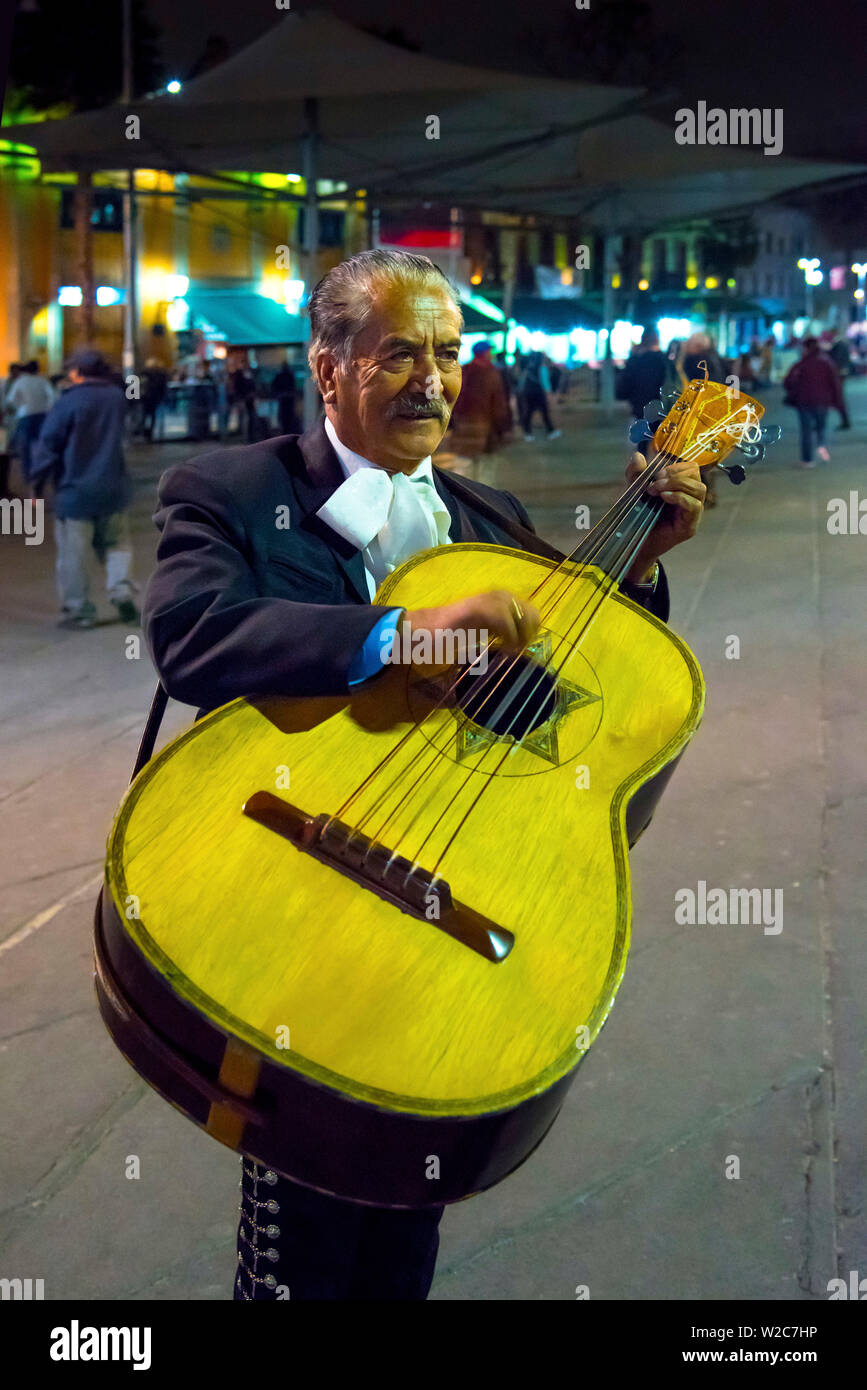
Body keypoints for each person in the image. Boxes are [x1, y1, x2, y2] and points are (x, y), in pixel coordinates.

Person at [141, 248, 705, 1302]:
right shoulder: (235, 488)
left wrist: (636, 562)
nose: (434, 380)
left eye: (448, 353)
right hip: (296, 870)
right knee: (300, 1215)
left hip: (444, 889)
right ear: (329, 367)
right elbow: (193, 635)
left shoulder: (485, 513)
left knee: (406, 1208)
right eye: (400, 353)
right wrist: (403, 634)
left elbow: (553, 660)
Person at [30, 348, 139, 628]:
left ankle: (79, 610)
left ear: (78, 372)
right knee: (117, 545)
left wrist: (36, 485)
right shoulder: (116, 398)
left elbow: (49, 445)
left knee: (74, 555)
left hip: (75, 491)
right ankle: (122, 594)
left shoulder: (69, 401)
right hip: (113, 488)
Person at [783, 336, 846, 469]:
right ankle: (821, 447)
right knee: (821, 427)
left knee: (806, 430)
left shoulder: (801, 364)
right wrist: (837, 401)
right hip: (822, 401)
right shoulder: (827, 362)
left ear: (806, 348)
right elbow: (835, 384)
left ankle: (807, 460)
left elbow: (788, 381)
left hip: (804, 401)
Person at [448, 340, 512, 460]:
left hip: (463, 422)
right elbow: (498, 402)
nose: (492, 354)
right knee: (482, 463)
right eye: (489, 351)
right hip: (484, 424)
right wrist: (503, 426)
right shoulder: (490, 372)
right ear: (484, 353)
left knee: (465, 459)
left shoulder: (464, 370)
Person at [5, 359, 55, 488]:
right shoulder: (43, 381)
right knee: (42, 447)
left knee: (25, 449)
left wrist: (19, 408)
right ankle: (43, 474)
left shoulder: (20, 382)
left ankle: (28, 476)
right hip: (42, 417)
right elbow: (52, 398)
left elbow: (12, 400)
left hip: (25, 416)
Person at [616, 328, 668, 419]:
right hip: (658, 402)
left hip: (639, 402)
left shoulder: (635, 359)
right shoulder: (663, 360)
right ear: (656, 340)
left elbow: (626, 381)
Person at [515, 351, 561, 440]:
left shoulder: (528, 368)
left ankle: (527, 433)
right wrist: (549, 394)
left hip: (528, 393)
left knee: (529, 412)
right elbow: (545, 382)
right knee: (544, 412)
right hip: (538, 393)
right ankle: (551, 431)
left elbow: (522, 381)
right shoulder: (542, 368)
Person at [827, 332, 852, 429]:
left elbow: (837, 360)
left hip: (838, 374)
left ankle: (845, 421)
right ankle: (845, 421)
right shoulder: (841, 345)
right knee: (839, 398)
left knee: (839, 397)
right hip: (840, 373)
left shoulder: (839, 345)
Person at [140, 358, 169, 442]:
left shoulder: (144, 374)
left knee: (145, 416)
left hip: (147, 398)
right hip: (155, 398)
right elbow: (163, 387)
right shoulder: (160, 374)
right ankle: (151, 433)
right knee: (152, 416)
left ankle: (145, 433)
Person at [271, 359, 300, 435]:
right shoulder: (288, 375)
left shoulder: (282, 376)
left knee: (285, 418)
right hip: (286, 399)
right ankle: (287, 432)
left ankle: (286, 432)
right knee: (286, 418)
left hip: (285, 399)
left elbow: (274, 387)